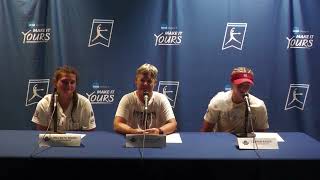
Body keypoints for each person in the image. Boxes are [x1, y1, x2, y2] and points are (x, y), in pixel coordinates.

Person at [201, 67, 269, 134]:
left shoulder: (259, 106)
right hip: (222, 142)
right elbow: (206, 132)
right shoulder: (218, 101)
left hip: (247, 143)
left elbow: (260, 137)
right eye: (240, 85)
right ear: (232, 84)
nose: (243, 89)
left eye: (247, 86)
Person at [114, 63, 177, 135]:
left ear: (155, 83)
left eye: (149, 81)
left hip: (155, 141)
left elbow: (173, 124)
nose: (145, 84)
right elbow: (117, 124)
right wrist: (132, 131)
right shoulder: (127, 99)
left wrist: (159, 131)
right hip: (134, 141)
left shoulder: (161, 99)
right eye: (142, 80)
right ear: (136, 81)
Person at [32, 65, 96, 131]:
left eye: (72, 82)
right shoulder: (44, 104)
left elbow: (90, 135)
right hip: (52, 141)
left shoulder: (84, 104)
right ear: (55, 83)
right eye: (64, 82)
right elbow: (42, 135)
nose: (69, 86)